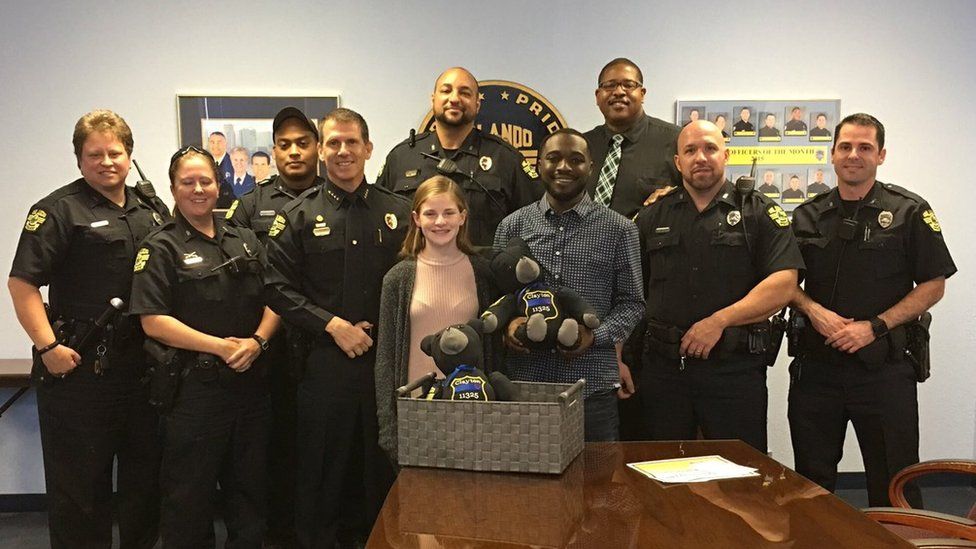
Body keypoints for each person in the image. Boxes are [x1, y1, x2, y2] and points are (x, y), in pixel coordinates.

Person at [8, 109, 169, 549]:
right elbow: (21, 283)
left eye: (114, 152)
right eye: (93, 154)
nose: (106, 161)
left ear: (129, 154)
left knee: (144, 483)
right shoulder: (58, 210)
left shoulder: (151, 209)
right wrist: (48, 347)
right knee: (79, 490)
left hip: (142, 370)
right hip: (79, 370)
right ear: (79, 159)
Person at [788, 113, 956, 506]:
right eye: (845, 146)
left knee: (894, 480)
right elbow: (785, 285)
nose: (854, 155)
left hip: (884, 372)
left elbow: (934, 284)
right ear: (832, 154)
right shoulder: (806, 215)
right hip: (817, 370)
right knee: (809, 483)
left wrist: (875, 327)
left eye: (865, 147)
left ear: (881, 155)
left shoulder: (908, 211)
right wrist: (814, 311)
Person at [265, 108, 410, 548]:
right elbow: (274, 287)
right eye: (333, 143)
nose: (343, 151)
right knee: (320, 480)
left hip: (386, 368)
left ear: (368, 149)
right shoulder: (296, 216)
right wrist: (332, 325)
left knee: (378, 474)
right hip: (323, 367)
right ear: (322, 151)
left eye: (352, 142)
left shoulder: (400, 212)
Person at [130, 146, 278, 547]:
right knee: (187, 501)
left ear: (219, 184)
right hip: (194, 393)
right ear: (173, 188)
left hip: (250, 390)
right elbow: (152, 320)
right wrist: (220, 347)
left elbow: (276, 299)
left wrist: (258, 341)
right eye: (188, 182)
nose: (198, 189)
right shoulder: (160, 246)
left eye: (206, 181)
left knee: (250, 497)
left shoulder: (245, 239)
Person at [634, 120, 803, 453]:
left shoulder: (759, 212)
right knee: (661, 472)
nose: (701, 157)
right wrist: (620, 357)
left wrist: (719, 321)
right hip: (665, 372)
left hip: (734, 371)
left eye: (710, 148)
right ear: (678, 162)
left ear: (726, 155)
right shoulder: (653, 216)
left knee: (740, 477)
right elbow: (630, 291)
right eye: (691, 150)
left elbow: (784, 283)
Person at [494, 128, 644, 442]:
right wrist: (508, 327)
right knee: (528, 488)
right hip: (524, 385)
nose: (564, 167)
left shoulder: (620, 229)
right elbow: (496, 298)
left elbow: (632, 303)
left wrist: (595, 336)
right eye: (554, 158)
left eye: (576, 160)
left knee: (597, 485)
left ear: (591, 167)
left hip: (593, 389)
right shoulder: (512, 226)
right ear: (538, 165)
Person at [226, 106, 325, 548]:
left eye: (303, 142)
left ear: (317, 148)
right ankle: (278, 532)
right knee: (272, 447)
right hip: (269, 348)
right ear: (274, 151)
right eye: (284, 145)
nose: (293, 152)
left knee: (320, 445)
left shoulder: (336, 197)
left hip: (322, 343)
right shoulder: (250, 205)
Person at [374, 175, 497, 460]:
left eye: (448, 213)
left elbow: (494, 348)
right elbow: (385, 359)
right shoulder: (398, 278)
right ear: (416, 218)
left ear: (462, 216)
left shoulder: (483, 273)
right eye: (430, 213)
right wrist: (388, 427)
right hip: (416, 412)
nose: (440, 221)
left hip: (472, 408)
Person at [378, 66, 540, 248]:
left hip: (483, 273)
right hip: (415, 272)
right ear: (433, 100)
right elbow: (380, 221)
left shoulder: (504, 158)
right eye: (446, 91)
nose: (454, 99)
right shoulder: (401, 157)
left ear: (477, 105)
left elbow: (536, 223)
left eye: (465, 93)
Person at [584, 57, 682, 220]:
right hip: (585, 244)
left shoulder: (675, 140)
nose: (619, 92)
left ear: (642, 94)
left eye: (628, 85)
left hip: (646, 244)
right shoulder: (582, 146)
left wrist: (676, 194)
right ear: (597, 96)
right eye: (609, 85)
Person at [208, 131, 237, 208]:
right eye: (212, 142)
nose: (215, 145)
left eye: (219, 142)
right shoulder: (205, 163)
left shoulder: (234, 162)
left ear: (225, 144)